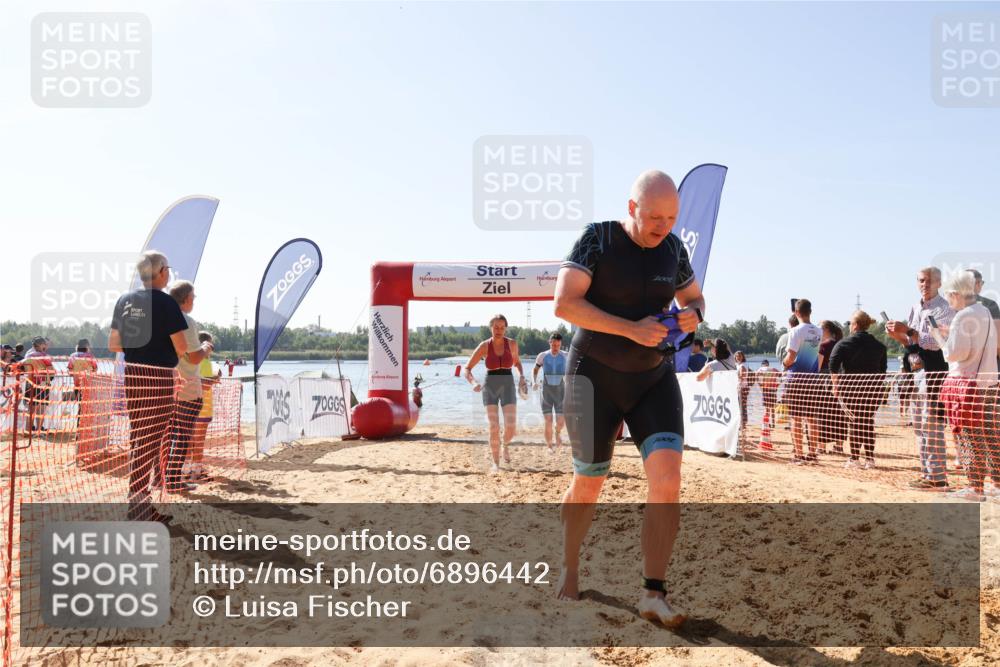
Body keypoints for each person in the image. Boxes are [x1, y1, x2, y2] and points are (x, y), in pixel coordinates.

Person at [555, 170, 705, 627]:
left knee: (667, 480)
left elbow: (696, 299)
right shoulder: (596, 240)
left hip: (650, 379)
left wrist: (692, 317)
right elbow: (564, 304)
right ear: (632, 208)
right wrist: (631, 329)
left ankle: (653, 593)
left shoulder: (674, 249)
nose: (664, 226)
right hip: (592, 377)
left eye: (672, 217)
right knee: (589, 482)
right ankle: (570, 564)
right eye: (655, 216)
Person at [109, 250, 190, 523]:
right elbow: (181, 347)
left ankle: (140, 505)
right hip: (158, 378)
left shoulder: (126, 300)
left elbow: (115, 345)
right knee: (150, 443)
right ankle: (139, 508)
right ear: (162, 272)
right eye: (168, 269)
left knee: (140, 440)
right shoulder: (166, 304)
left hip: (133, 375)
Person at [886, 267, 955, 490]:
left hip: (935, 371)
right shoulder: (915, 307)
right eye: (921, 281)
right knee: (919, 425)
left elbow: (938, 341)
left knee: (932, 423)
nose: (924, 284)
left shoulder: (945, 308)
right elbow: (911, 343)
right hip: (915, 372)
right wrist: (899, 335)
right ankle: (927, 474)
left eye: (929, 281)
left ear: (939, 283)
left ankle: (937, 476)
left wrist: (910, 332)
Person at [937, 271, 999, 502]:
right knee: (991, 434)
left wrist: (942, 339)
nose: (949, 301)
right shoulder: (984, 311)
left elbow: (956, 353)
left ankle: (975, 488)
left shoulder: (962, 316)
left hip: (967, 385)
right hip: (989, 382)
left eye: (949, 296)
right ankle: (996, 484)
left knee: (968, 437)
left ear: (956, 293)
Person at [165, 281, 214, 493]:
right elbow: (194, 358)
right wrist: (205, 348)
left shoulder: (161, 319)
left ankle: (162, 478)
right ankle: (174, 480)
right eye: (193, 297)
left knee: (166, 436)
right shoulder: (186, 321)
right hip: (186, 386)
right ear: (185, 299)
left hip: (166, 385)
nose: (194, 300)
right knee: (183, 436)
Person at [464, 314, 528, 472]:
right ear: (490, 328)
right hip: (490, 385)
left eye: (502, 327)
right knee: (494, 427)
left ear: (505, 328)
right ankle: (495, 463)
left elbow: (518, 363)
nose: (499, 330)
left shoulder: (512, 344)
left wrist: (521, 378)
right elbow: (467, 369)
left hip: (507, 384)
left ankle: (505, 445)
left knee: (511, 427)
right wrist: (473, 383)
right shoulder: (484, 346)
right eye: (496, 327)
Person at [829, 311, 888, 469]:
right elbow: (883, 372)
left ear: (855, 325)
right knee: (868, 421)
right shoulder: (879, 345)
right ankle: (870, 459)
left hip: (851, 389)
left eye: (850, 324)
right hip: (873, 389)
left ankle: (854, 458)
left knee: (854, 422)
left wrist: (835, 387)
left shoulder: (843, 344)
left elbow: (833, 367)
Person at [782, 300, 822, 464]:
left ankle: (799, 454)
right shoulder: (819, 330)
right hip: (812, 378)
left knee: (796, 418)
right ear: (810, 311)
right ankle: (812, 453)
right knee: (812, 418)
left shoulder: (795, 331)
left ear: (796, 313)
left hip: (797, 378)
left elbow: (791, 357)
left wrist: (784, 364)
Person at [189, 331, 221, 483]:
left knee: (189, 441)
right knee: (199, 441)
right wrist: (216, 378)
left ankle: (186, 468)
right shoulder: (207, 363)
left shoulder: (189, 362)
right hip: (203, 408)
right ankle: (196, 470)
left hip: (189, 406)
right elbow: (206, 386)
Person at [532, 332, 568, 451]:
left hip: (561, 392)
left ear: (561, 344)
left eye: (558, 345)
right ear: (550, 343)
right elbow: (535, 369)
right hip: (546, 392)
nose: (555, 348)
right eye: (553, 345)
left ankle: (557, 432)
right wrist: (534, 381)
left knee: (561, 422)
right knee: (548, 421)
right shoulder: (542, 356)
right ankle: (549, 446)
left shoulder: (566, 356)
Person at [816, 320, 846, 454]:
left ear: (826, 330)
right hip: (840, 380)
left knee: (822, 413)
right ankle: (839, 446)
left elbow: (817, 366)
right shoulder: (842, 344)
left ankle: (821, 446)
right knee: (839, 414)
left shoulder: (824, 346)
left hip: (825, 381)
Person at [23, 336, 54, 433]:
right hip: (42, 383)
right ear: (40, 345)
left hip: (30, 382)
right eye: (44, 344)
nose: (46, 346)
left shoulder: (28, 355)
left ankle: (28, 431)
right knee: (41, 408)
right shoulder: (43, 356)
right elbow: (51, 370)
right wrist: (51, 376)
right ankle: (39, 431)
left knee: (31, 408)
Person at [756, 359, 780, 428]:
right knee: (771, 408)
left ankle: (768, 423)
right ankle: (772, 424)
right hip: (772, 390)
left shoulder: (761, 369)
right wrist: (777, 385)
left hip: (766, 390)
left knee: (768, 409)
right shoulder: (773, 369)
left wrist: (759, 384)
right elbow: (781, 376)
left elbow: (756, 375)